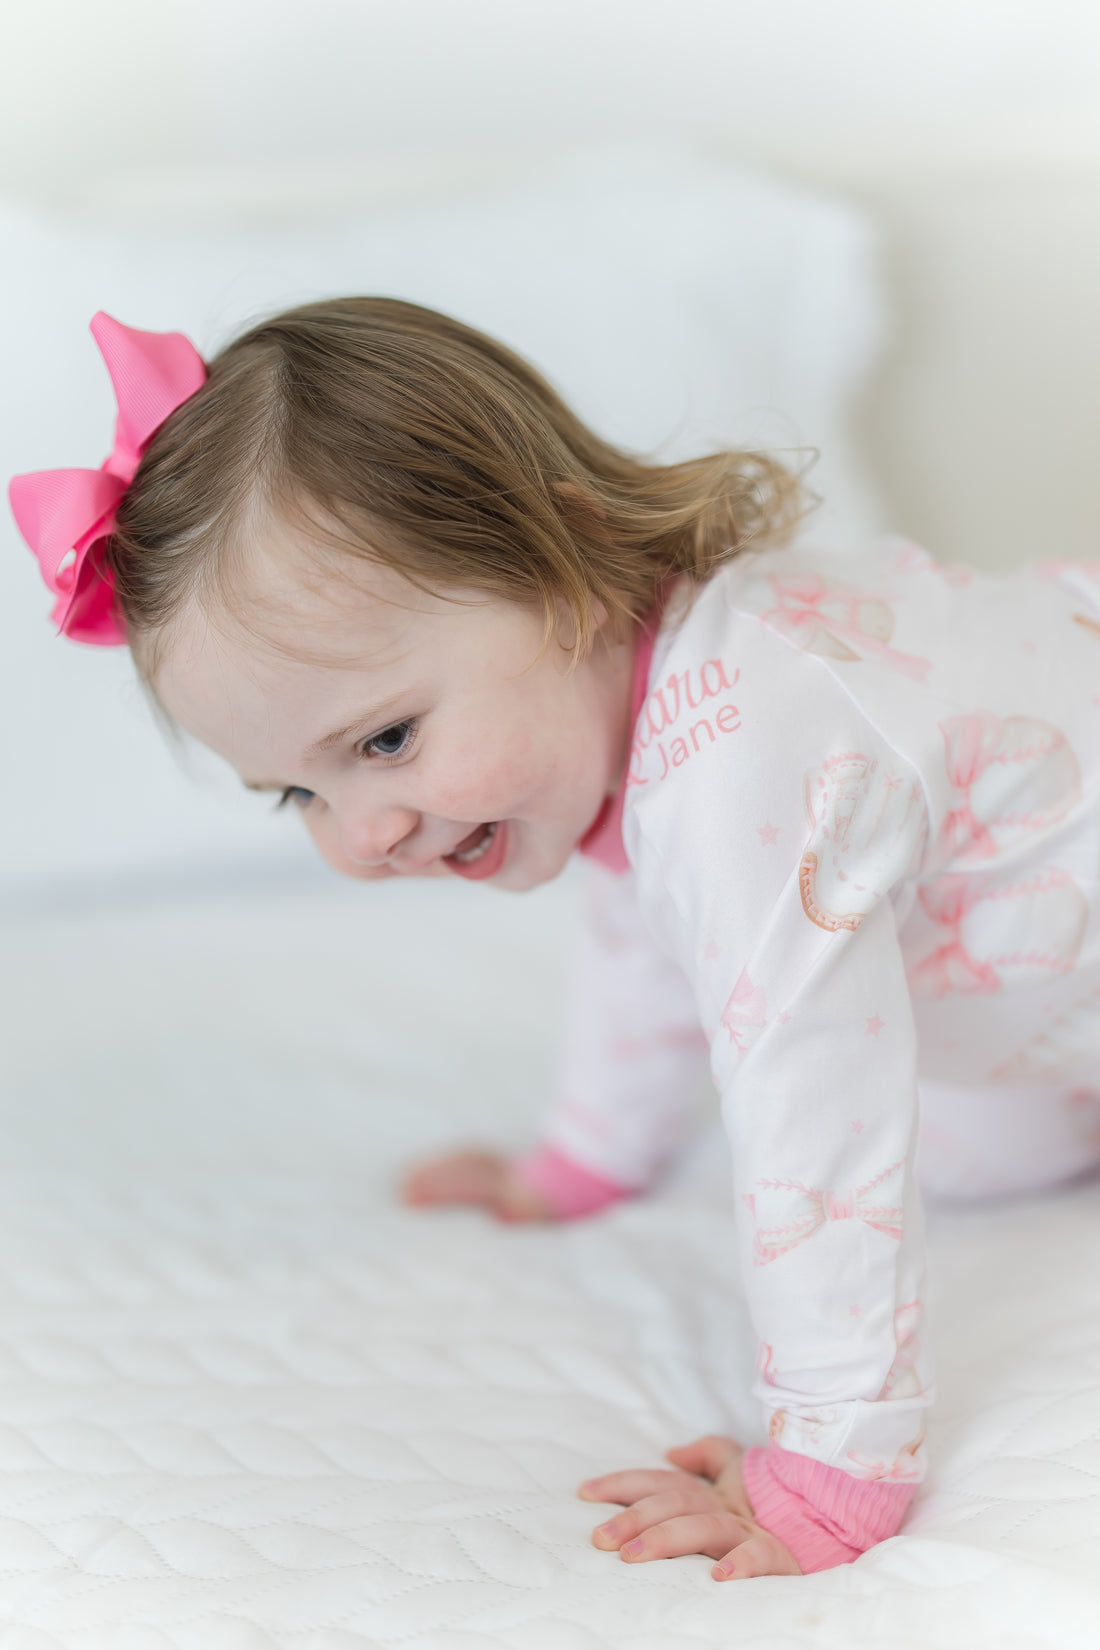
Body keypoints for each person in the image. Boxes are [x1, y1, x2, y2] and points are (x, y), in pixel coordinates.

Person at [11, 300, 1100, 1580]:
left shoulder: (749, 752)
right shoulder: (653, 717)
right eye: (299, 792)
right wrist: (583, 1161)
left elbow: (815, 1105)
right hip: (1036, 949)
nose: (361, 834)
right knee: (977, 1147)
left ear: (567, 561)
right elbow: (654, 937)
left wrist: (830, 1472)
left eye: (384, 741)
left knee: (914, 1133)